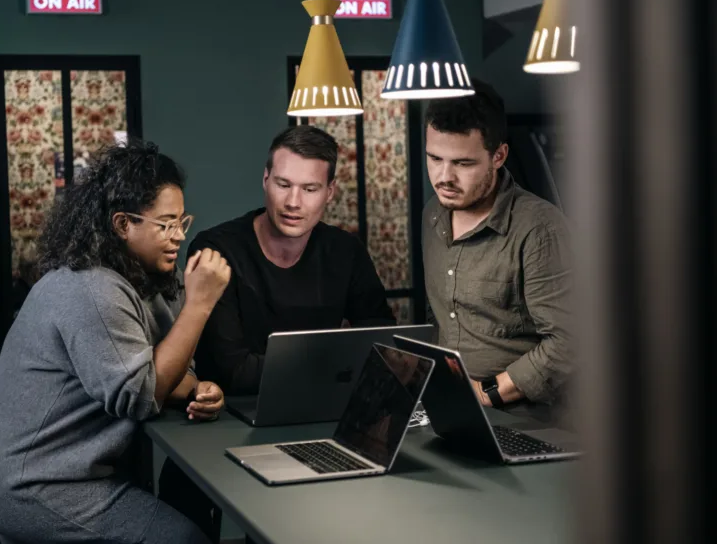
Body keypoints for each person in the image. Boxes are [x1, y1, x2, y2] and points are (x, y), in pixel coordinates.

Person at [0, 140, 231, 544]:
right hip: (28, 479)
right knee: (182, 539)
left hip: (36, 469)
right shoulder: (93, 289)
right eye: (166, 224)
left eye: (182, 222)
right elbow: (140, 397)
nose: (178, 237)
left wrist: (197, 390)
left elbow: (167, 369)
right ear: (123, 224)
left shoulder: (140, 283)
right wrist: (200, 304)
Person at [188, 125, 395, 395]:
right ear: (265, 179)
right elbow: (234, 372)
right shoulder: (217, 250)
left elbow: (383, 345)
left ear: (330, 192)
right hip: (232, 414)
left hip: (322, 407)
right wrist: (336, 363)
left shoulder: (345, 251)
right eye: (283, 185)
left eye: (310, 189)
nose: (293, 202)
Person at [422, 79, 574, 426]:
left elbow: (568, 342)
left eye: (462, 163)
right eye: (434, 158)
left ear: (499, 156)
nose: (444, 176)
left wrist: (486, 392)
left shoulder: (540, 228)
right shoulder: (432, 213)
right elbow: (442, 320)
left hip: (532, 423)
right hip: (453, 416)